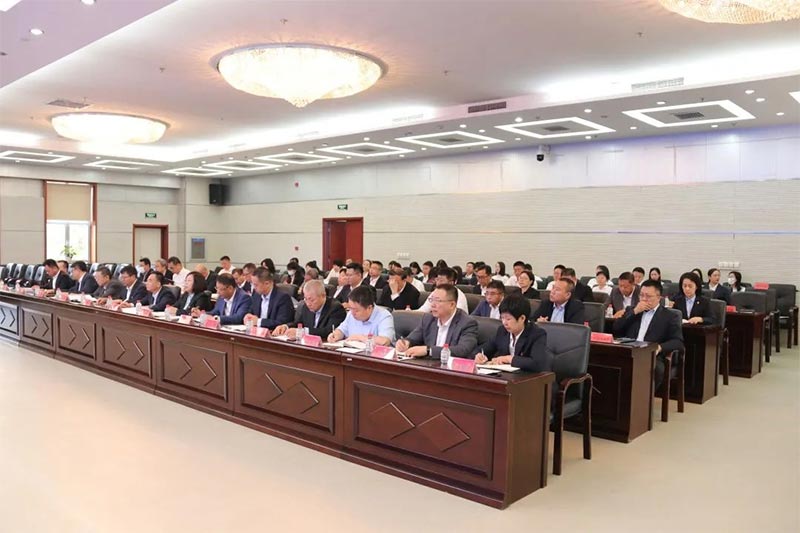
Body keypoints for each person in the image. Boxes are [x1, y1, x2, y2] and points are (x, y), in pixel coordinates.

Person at [613, 280, 684, 388]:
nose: (644, 299)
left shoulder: (669, 316)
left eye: (648, 296)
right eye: (641, 295)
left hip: (651, 355)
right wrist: (634, 312)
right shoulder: (632, 310)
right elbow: (616, 328)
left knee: (653, 369)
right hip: (629, 351)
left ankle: (643, 397)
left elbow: (678, 341)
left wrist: (659, 347)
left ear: (659, 298)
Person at [395, 285, 478, 358]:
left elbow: (462, 350)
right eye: (432, 300)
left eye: (438, 301)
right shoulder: (428, 318)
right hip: (428, 366)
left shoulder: (467, 323)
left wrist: (429, 350)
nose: (432, 305)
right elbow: (413, 338)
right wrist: (405, 342)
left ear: (452, 305)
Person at [474, 294, 552, 372]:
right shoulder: (502, 331)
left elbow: (537, 363)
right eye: (502, 318)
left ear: (522, 318)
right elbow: (482, 349)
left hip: (530, 377)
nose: (504, 323)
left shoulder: (537, 334)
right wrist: (479, 356)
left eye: (508, 319)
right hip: (507, 376)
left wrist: (509, 359)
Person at [273, 280, 346, 339]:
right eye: (306, 299)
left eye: (312, 300)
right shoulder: (305, 306)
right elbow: (299, 324)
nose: (308, 303)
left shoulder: (335, 308)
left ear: (323, 296)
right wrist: (286, 326)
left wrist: (303, 332)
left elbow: (329, 331)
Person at [327, 286, 394, 346]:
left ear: (369, 308)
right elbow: (342, 330)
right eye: (350, 308)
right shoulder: (351, 314)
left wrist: (359, 337)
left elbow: (384, 341)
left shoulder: (384, 316)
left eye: (356, 310)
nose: (352, 313)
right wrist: (336, 335)